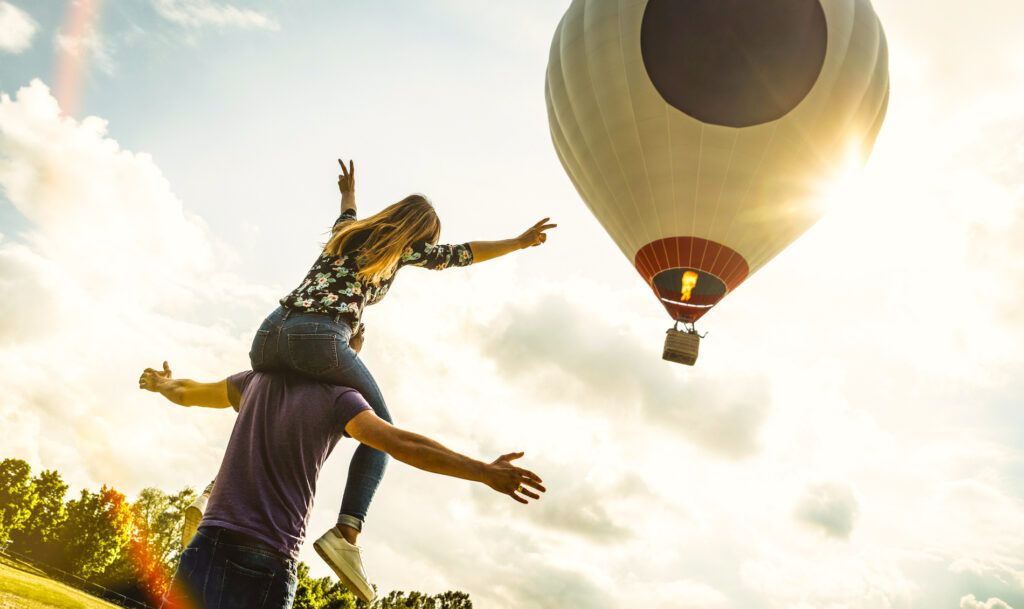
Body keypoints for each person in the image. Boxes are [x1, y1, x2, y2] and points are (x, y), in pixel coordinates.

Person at [245, 159, 556, 590]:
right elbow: (464, 254)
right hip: (318, 336)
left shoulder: (346, 233)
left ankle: (214, 492)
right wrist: (518, 243)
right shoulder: (405, 248)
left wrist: (349, 191)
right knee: (381, 431)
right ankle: (346, 534)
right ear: (419, 234)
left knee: (269, 400)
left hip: (268, 335)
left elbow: (349, 210)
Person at [139, 362, 544, 608]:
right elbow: (401, 443)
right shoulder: (340, 398)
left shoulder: (253, 382)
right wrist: (482, 471)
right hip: (269, 556)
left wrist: (160, 385)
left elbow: (186, 392)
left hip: (210, 545)